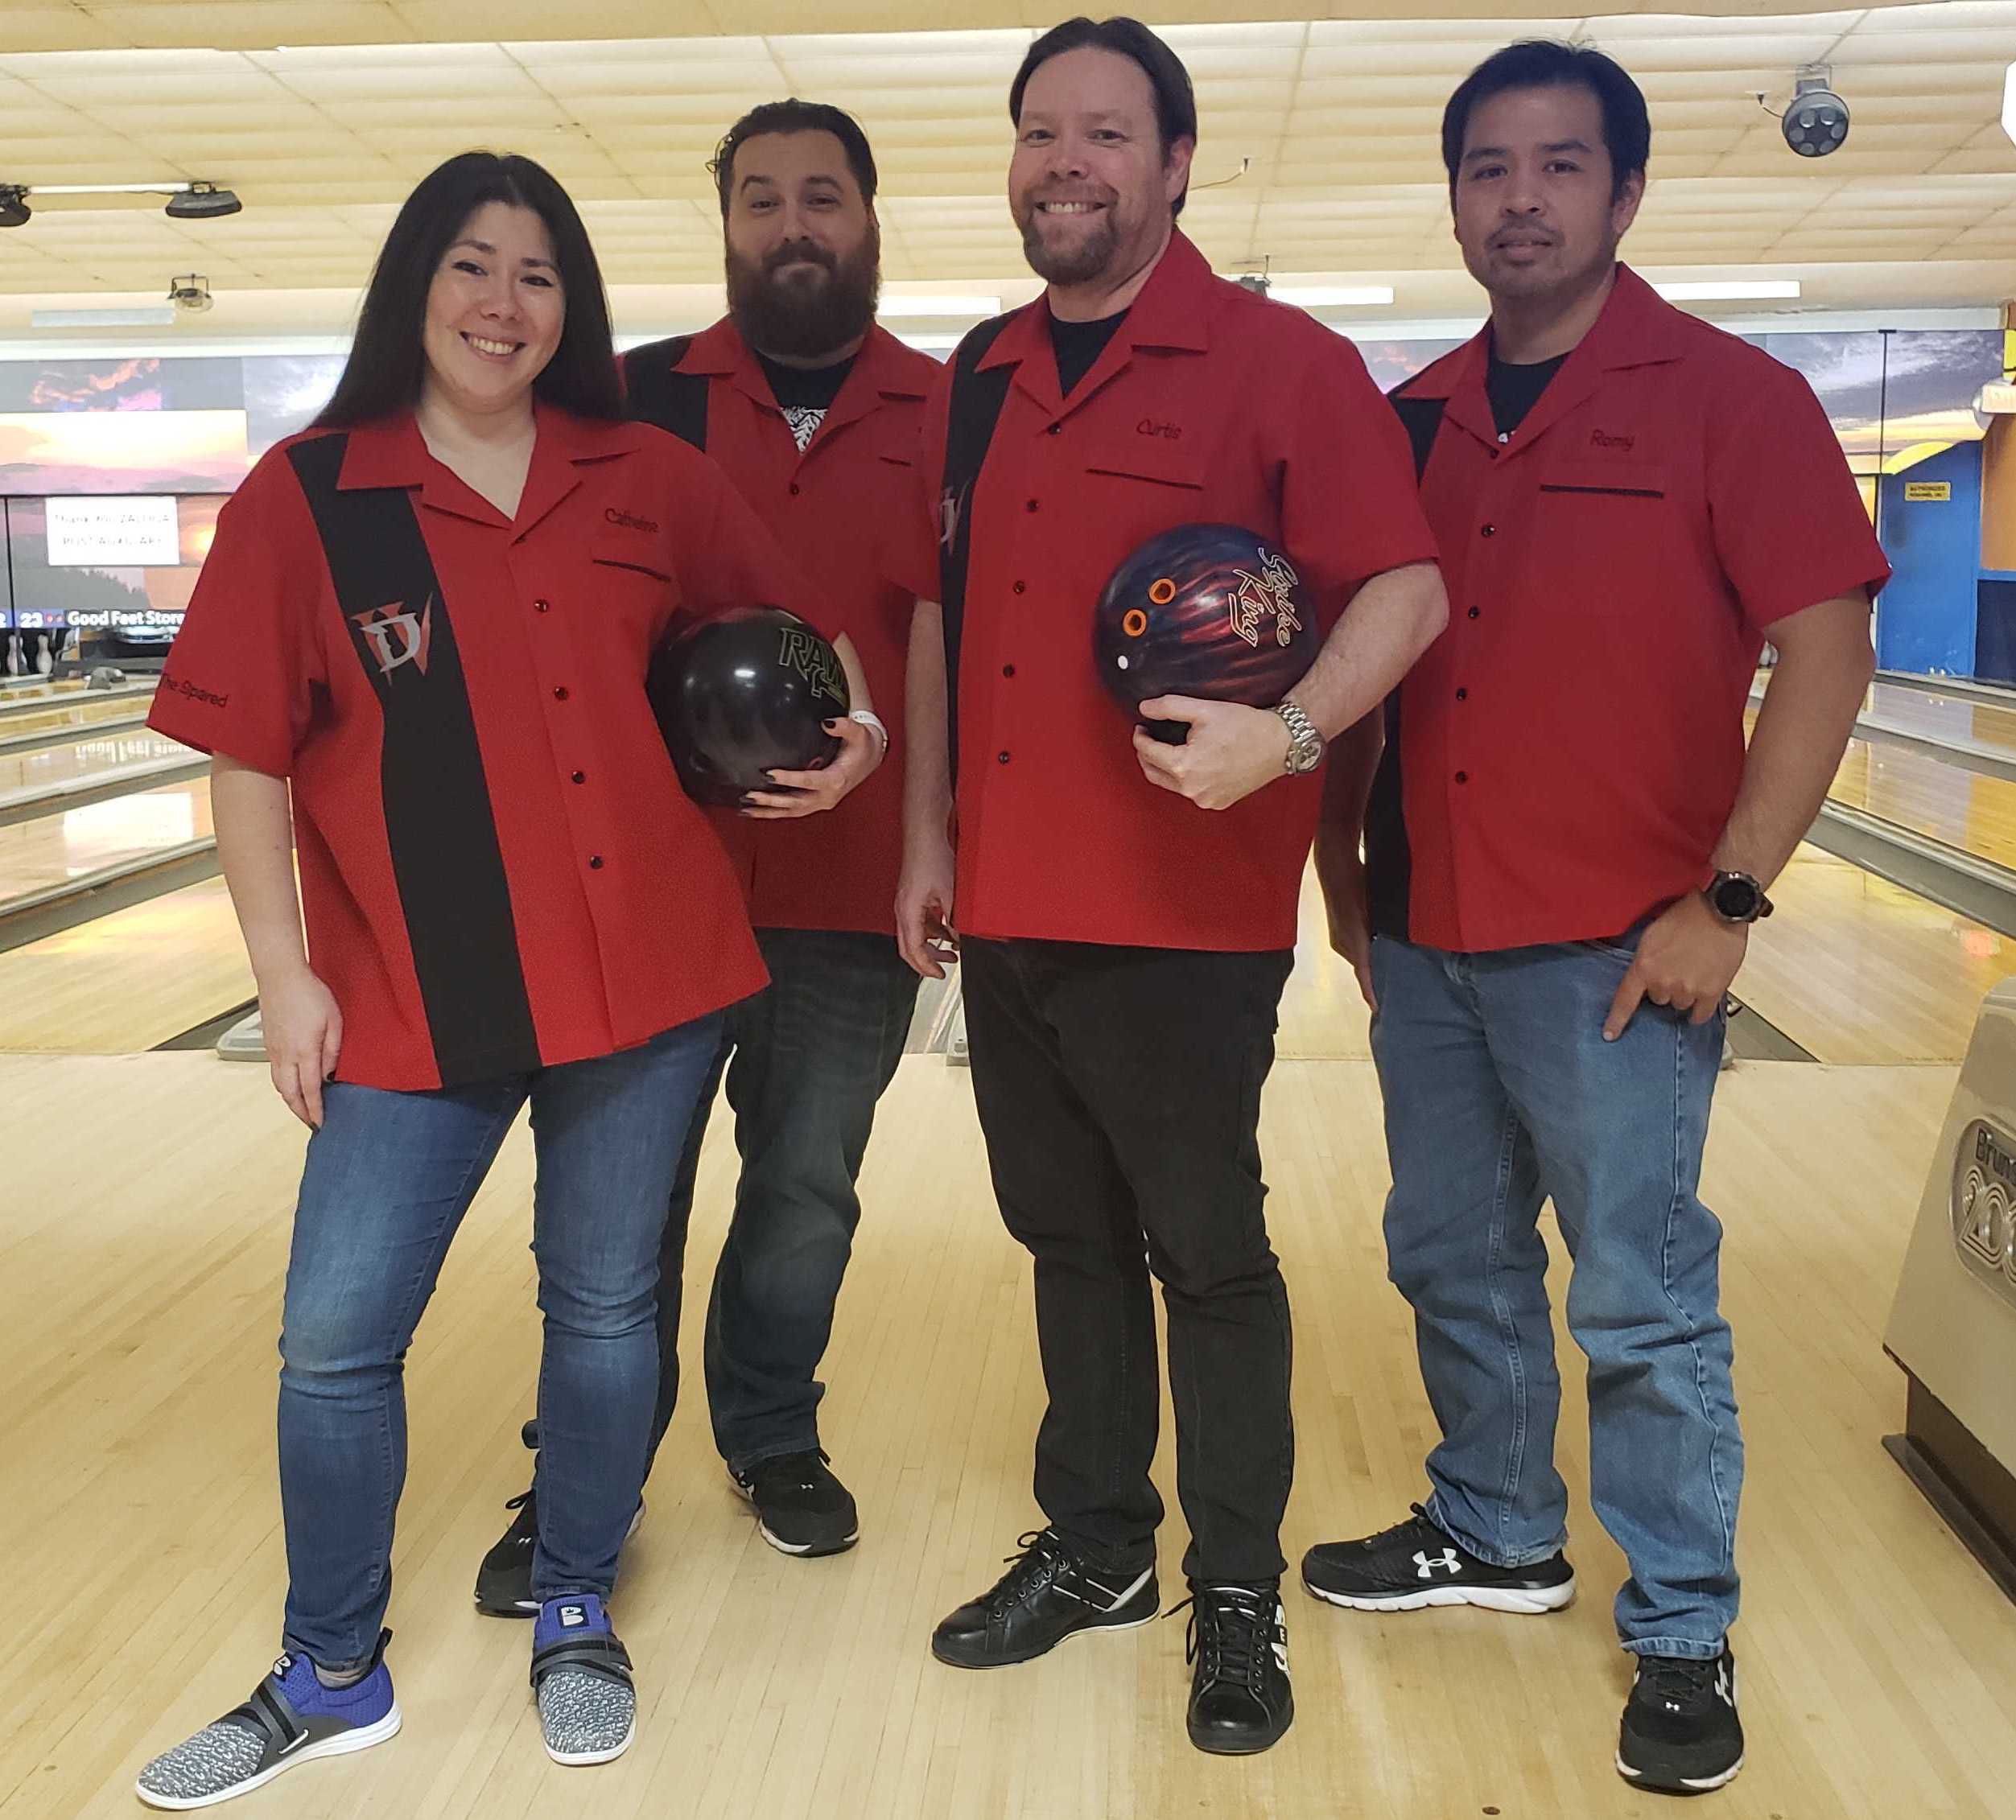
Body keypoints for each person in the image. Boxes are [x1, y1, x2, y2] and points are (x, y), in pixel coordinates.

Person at [133, 150, 880, 1807]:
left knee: (605, 1310)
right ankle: (330, 1669)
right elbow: (245, 756)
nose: (502, 303)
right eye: (472, 266)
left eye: (537, 274)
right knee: (334, 1340)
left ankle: (572, 1606)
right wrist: (283, 972)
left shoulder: (644, 473)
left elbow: (803, 632)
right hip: (411, 992)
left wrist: (858, 743)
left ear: (572, 306)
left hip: (651, 982)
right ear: (415, 285)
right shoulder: (309, 493)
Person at [1301, 41, 1888, 1798]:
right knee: (1450, 1257)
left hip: (1622, 947)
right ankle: (1492, 1523)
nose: (1519, 198)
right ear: (1456, 197)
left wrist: (1728, 898)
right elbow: (1365, 661)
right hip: (1426, 935)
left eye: (1559, 167)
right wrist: (1342, 866)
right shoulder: (1402, 422)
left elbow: (1829, 650)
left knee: (1635, 1300)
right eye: (1487, 168)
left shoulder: (1730, 397)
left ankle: (1680, 1620)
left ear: (1623, 194)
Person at [897, 15, 1446, 1758]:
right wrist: (923, 842)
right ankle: (1097, 1548)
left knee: (1203, 1256)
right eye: (1040, 131)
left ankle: (1230, 1587)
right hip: (1008, 912)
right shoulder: (979, 371)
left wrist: (1283, 739)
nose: (1067, 160)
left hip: (1180, 922)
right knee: (1062, 1241)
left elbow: (1405, 594)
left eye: (1107, 133)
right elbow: (943, 623)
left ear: (1175, 162)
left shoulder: (1276, 362)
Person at [474, 101, 934, 1608]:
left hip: (845, 897)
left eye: (820, 196)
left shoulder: (944, 410)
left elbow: (952, 648)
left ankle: (771, 1430)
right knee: (620, 1210)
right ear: (722, 222)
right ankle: (580, 1473)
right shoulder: (625, 400)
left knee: (806, 1190)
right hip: (649, 903)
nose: (789, 224)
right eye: (758, 199)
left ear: (869, 215)